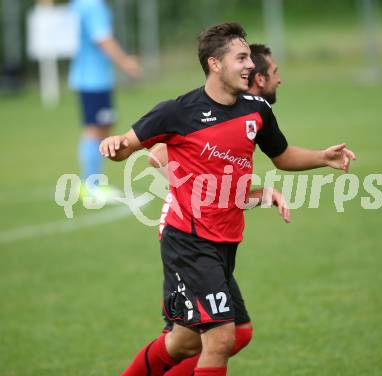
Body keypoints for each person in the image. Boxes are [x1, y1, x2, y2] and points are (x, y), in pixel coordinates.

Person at [99, 22, 356, 376]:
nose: (250, 65)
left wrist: (321, 157)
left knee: (184, 342)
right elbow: (126, 147)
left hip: (224, 241)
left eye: (249, 56)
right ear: (214, 64)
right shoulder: (177, 111)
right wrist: (113, 146)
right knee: (221, 338)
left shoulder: (256, 110)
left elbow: (281, 156)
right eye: (241, 57)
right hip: (188, 240)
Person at [147, 43, 286, 376]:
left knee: (223, 335)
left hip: (215, 237)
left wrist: (255, 194)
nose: (279, 80)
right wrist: (197, 192)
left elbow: (228, 188)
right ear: (258, 77)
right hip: (188, 237)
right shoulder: (205, 112)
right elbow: (157, 155)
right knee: (210, 338)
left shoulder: (250, 113)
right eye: (275, 73)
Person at [68, 0, 142, 199]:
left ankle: (92, 182)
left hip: (87, 76)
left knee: (101, 126)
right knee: (96, 129)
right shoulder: (93, 5)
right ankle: (90, 184)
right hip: (94, 79)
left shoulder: (80, 4)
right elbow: (103, 39)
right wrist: (125, 62)